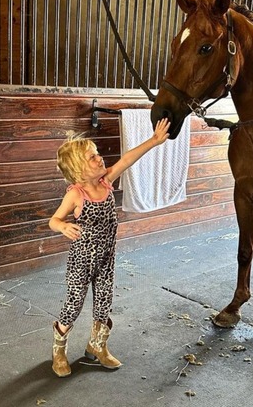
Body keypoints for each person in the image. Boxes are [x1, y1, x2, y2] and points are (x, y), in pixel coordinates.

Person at [48, 118, 171, 377]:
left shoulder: (106, 182)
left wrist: (154, 140)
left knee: (104, 303)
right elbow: (54, 220)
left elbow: (126, 160)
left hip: (106, 257)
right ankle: (59, 351)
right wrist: (63, 227)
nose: (99, 159)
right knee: (73, 304)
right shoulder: (75, 194)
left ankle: (98, 346)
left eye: (97, 154)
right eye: (92, 157)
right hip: (81, 260)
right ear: (79, 169)